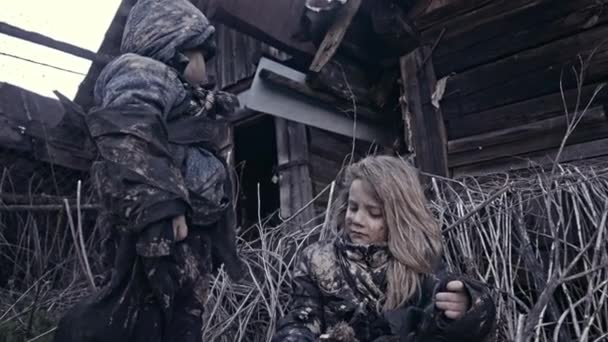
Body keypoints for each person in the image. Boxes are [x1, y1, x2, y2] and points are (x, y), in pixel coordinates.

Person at [53, 1, 242, 341]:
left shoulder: (181, 93)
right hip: (158, 225)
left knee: (181, 317)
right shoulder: (142, 74)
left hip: (187, 233)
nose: (209, 68)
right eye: (203, 55)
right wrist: (160, 205)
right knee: (139, 315)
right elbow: (130, 133)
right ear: (178, 50)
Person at [273, 156, 496, 342]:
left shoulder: (419, 261)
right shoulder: (318, 259)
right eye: (352, 207)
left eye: (374, 213)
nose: (357, 219)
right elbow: (301, 319)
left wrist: (468, 306)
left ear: (399, 218)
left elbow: (460, 325)